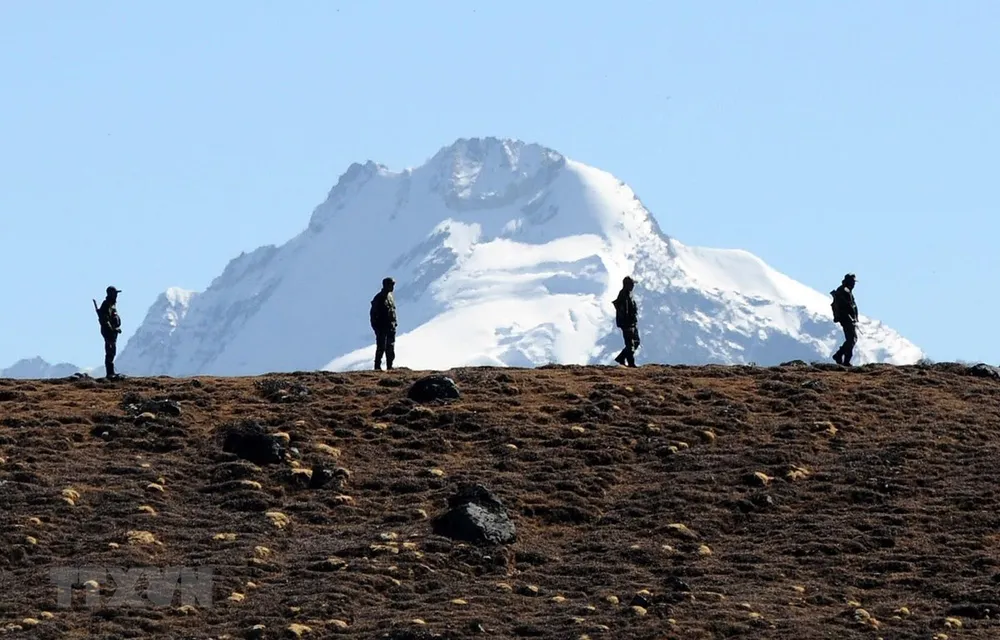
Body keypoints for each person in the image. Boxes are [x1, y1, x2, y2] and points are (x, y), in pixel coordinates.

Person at [95, 286, 123, 379]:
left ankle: (111, 372)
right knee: (110, 351)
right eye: (115, 293)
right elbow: (105, 320)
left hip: (112, 333)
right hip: (108, 333)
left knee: (112, 351)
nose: (116, 295)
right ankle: (110, 373)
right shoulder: (106, 305)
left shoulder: (112, 305)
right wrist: (112, 329)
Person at [831, 273, 859, 366]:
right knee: (851, 339)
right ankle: (840, 356)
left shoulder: (846, 291)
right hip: (846, 318)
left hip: (848, 319)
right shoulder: (844, 291)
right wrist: (851, 317)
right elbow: (847, 306)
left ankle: (843, 358)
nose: (854, 284)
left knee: (851, 339)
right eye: (852, 282)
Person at [370, 277, 397, 371]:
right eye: (391, 285)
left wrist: (395, 323)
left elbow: (392, 311)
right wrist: (377, 329)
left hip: (391, 328)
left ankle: (390, 366)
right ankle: (377, 367)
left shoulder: (390, 297)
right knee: (381, 348)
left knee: (390, 348)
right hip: (382, 328)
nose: (393, 287)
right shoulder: (378, 298)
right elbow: (373, 315)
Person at [612, 276, 639, 367]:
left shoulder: (628, 294)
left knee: (636, 342)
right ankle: (631, 363)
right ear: (628, 285)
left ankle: (621, 358)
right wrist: (627, 324)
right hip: (628, 324)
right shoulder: (624, 295)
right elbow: (625, 311)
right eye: (632, 284)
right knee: (630, 343)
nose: (633, 286)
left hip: (631, 323)